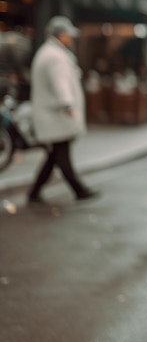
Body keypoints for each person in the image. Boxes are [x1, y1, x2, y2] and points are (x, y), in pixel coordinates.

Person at [27, 16, 99, 205]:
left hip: (53, 114)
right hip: (56, 114)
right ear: (61, 35)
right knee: (61, 154)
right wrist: (67, 105)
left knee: (54, 155)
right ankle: (79, 190)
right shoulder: (54, 56)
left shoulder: (50, 53)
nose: (71, 38)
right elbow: (60, 82)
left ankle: (34, 192)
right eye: (68, 34)